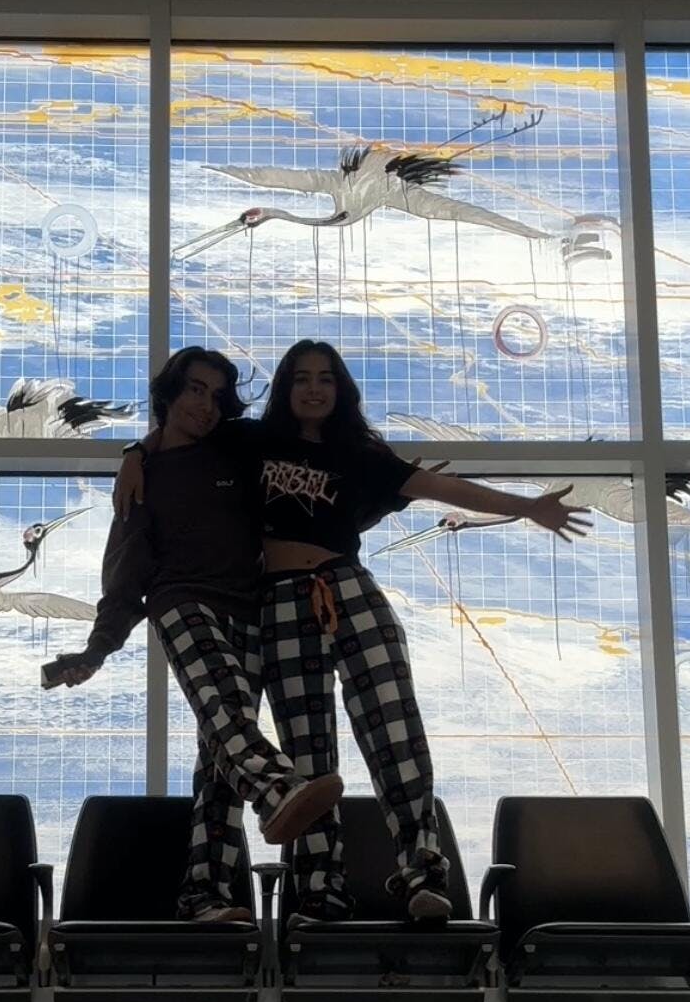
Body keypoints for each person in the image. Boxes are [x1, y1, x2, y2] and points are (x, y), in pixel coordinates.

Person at [115, 339, 589, 926]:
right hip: (278, 604)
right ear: (285, 388)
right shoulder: (251, 439)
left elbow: (442, 489)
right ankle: (320, 890)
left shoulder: (361, 453)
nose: (313, 389)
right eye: (301, 378)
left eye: (326, 379)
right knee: (309, 749)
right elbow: (179, 436)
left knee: (395, 730)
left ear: (340, 391)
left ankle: (423, 876)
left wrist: (527, 506)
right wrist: (134, 452)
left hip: (348, 589)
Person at [42, 346, 342, 924]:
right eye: (195, 390)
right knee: (228, 709)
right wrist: (99, 648)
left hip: (250, 610)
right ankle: (277, 789)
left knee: (220, 757)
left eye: (217, 396)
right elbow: (125, 570)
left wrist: (134, 448)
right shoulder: (144, 477)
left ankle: (205, 894)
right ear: (170, 394)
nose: (206, 406)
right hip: (179, 601)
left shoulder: (236, 449)